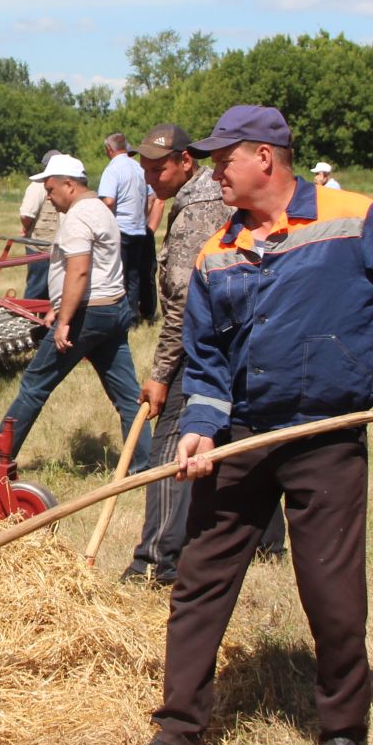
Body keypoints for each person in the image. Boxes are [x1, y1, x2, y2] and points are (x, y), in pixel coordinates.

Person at [151, 105, 373, 745]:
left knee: (331, 589)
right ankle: (179, 731)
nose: (216, 170)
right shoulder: (220, 252)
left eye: (224, 159)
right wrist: (199, 428)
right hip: (240, 439)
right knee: (200, 580)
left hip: (323, 437)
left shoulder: (353, 218)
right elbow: (208, 359)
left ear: (264, 158)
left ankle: (342, 732)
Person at [0, 154, 152, 476]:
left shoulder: (79, 217)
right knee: (127, 396)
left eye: (51, 190)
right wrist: (58, 306)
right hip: (113, 309)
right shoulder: (101, 210)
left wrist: (65, 320)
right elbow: (94, 270)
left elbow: (79, 272)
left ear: (69, 184)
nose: (48, 198)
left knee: (35, 383)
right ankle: (144, 466)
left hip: (87, 316)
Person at [121, 123, 227, 586]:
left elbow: (184, 303)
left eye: (158, 167)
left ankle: (155, 563)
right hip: (229, 341)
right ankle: (265, 542)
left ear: (186, 161)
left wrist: (163, 373)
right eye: (143, 167)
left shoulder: (197, 211)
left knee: (170, 446)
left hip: (198, 347)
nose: (149, 177)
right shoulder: (200, 198)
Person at [99, 132, 156, 324]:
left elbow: (108, 200)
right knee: (134, 275)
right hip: (139, 229)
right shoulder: (139, 168)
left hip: (120, 229)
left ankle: (120, 318)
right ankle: (133, 318)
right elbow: (151, 197)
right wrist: (143, 215)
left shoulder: (113, 169)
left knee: (117, 275)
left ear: (109, 149)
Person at [17, 149, 63, 302]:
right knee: (37, 289)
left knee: (52, 290)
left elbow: (26, 215)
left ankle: (43, 324)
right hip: (40, 246)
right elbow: (26, 215)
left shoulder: (51, 185)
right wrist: (27, 227)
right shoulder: (38, 186)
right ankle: (27, 322)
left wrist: (26, 227)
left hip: (54, 245)